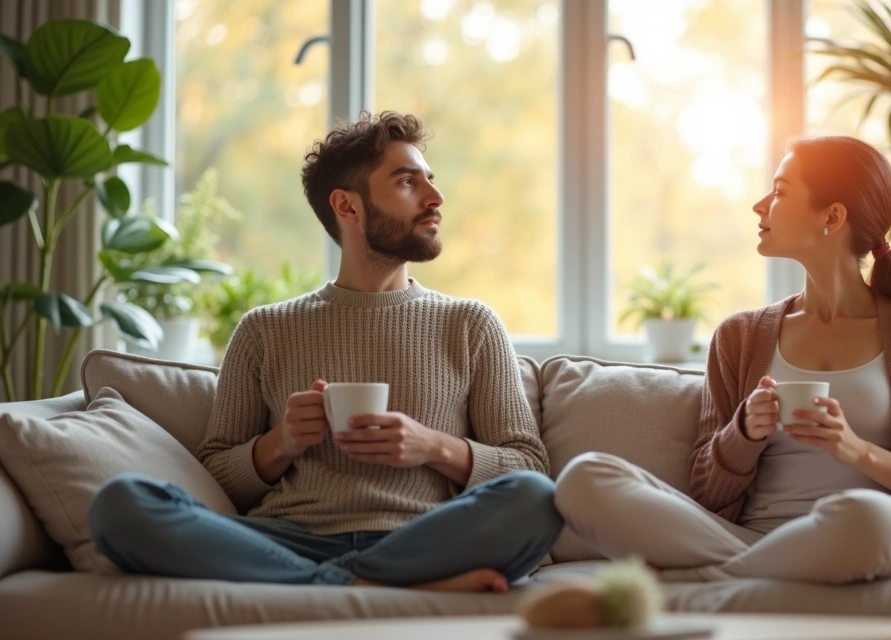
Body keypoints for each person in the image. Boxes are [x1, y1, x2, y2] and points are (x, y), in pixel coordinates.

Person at [88, 111, 562, 593]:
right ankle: (368, 585)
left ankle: (325, 586)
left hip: (418, 539)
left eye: (430, 180)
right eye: (407, 181)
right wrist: (281, 442)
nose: (435, 197)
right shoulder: (264, 330)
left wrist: (433, 446)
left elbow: (529, 465)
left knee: (535, 499)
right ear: (347, 206)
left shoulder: (471, 324)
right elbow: (214, 478)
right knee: (120, 504)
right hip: (286, 539)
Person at [554, 135, 891, 584]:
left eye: (780, 191)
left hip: (868, 532)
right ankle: (748, 576)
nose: (760, 205)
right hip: (748, 537)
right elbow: (707, 491)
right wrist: (744, 432)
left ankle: (701, 582)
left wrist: (858, 451)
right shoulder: (740, 336)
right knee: (584, 479)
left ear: (832, 216)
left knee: (869, 517)